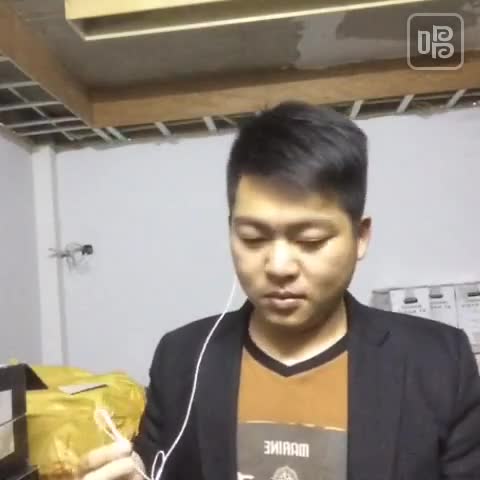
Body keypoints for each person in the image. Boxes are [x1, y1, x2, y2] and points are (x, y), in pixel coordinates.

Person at [79, 101, 480, 480]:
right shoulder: (182, 359)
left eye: (310, 240)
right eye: (253, 238)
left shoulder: (439, 363)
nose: (279, 267)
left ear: (360, 237)